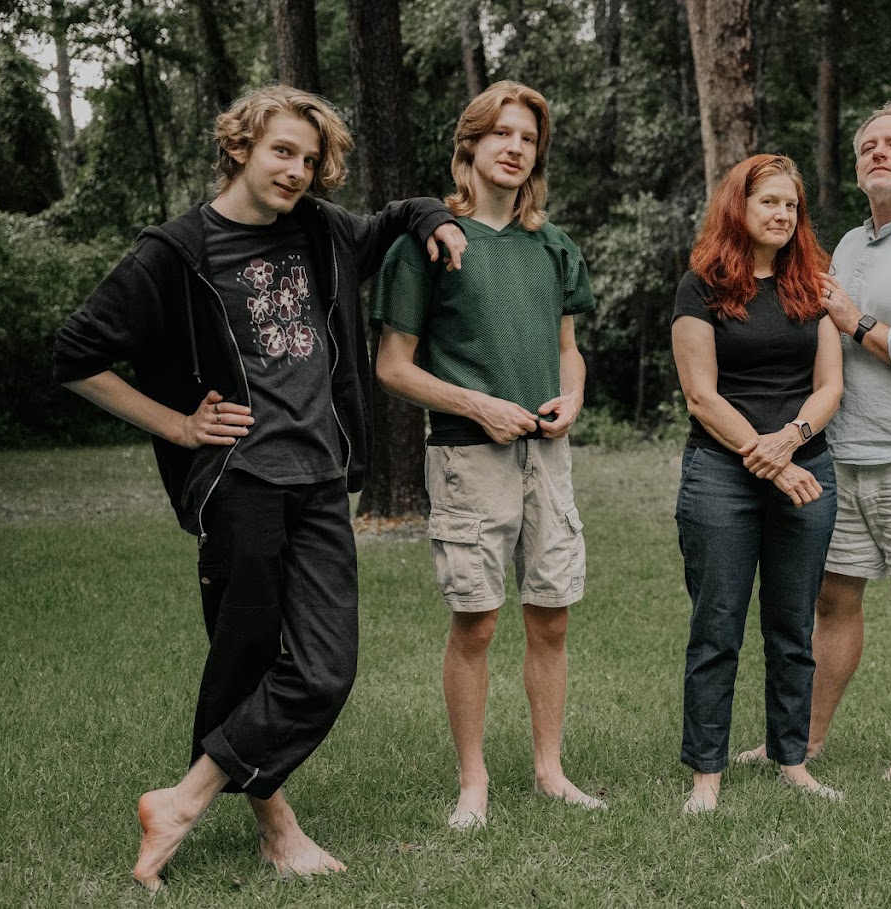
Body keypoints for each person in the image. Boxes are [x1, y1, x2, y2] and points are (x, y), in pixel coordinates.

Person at [52, 85, 465, 890]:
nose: (297, 171)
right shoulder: (175, 252)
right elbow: (77, 354)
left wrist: (436, 218)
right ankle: (276, 829)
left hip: (318, 481)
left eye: (310, 160)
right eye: (282, 151)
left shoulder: (319, 231)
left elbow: (398, 214)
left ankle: (180, 800)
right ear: (239, 146)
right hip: (240, 484)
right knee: (245, 657)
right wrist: (175, 425)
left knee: (324, 667)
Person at [371, 81, 602, 829]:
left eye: (526, 137)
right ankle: (473, 782)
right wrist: (478, 404)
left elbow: (569, 351)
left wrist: (571, 399)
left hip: (548, 457)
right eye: (499, 133)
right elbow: (393, 366)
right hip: (469, 456)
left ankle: (549, 769)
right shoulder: (430, 243)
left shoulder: (553, 245)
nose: (513, 147)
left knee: (552, 615)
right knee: (476, 620)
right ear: (468, 146)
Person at [739, 102, 891, 781]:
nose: (879, 152)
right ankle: (805, 739)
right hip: (841, 455)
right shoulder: (846, 244)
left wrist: (856, 322)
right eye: (867, 145)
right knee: (833, 599)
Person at [671, 154, 844, 814]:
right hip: (721, 472)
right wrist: (764, 454)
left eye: (790, 206)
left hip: (805, 466)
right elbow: (699, 394)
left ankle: (791, 758)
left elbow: (830, 385)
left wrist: (790, 440)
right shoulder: (702, 286)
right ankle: (705, 774)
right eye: (768, 201)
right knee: (716, 626)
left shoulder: (813, 284)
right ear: (737, 208)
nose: (780, 214)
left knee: (791, 626)